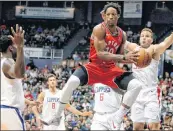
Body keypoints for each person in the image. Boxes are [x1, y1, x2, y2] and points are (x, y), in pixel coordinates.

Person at [42, 2, 143, 130]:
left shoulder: (122, 35)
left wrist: (133, 60)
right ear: (104, 16)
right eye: (108, 14)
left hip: (111, 69)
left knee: (137, 85)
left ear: (118, 16)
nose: (111, 17)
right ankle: (57, 116)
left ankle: (118, 117)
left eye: (114, 14)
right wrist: (124, 57)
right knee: (72, 81)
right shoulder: (98, 29)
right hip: (94, 67)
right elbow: (101, 54)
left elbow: (120, 57)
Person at [127, 28, 173, 130]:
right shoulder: (134, 48)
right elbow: (122, 41)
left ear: (151, 40)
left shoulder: (154, 49)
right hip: (136, 93)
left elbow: (165, 44)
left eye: (147, 36)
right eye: (142, 36)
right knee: (137, 127)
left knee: (154, 126)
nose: (144, 38)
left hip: (151, 93)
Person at [0, 24, 26, 130]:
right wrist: (20, 47)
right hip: (10, 112)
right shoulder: (7, 63)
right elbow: (20, 74)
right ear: (11, 48)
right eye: (14, 45)